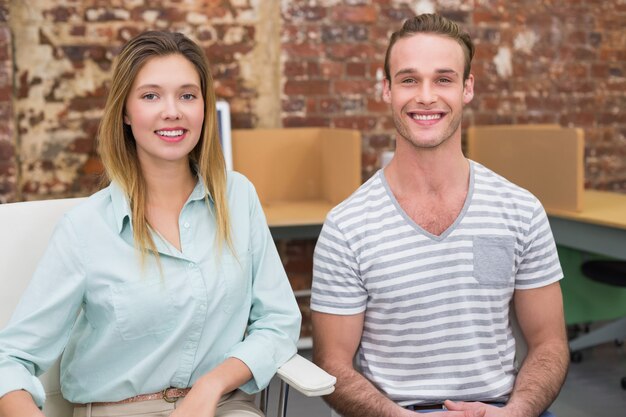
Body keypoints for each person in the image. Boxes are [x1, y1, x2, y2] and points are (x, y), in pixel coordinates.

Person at [0, 31, 301, 417]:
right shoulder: (85, 228)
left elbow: (278, 322)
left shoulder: (237, 197)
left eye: (188, 95)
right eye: (150, 96)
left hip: (220, 406)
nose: (172, 111)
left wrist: (211, 385)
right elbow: (11, 359)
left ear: (204, 108)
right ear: (125, 112)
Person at [311, 13, 569, 417]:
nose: (426, 96)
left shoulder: (520, 210)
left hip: (503, 410)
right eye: (409, 79)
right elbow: (332, 366)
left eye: (443, 79)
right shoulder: (347, 227)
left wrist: (516, 412)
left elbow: (549, 344)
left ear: (467, 88)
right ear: (387, 89)